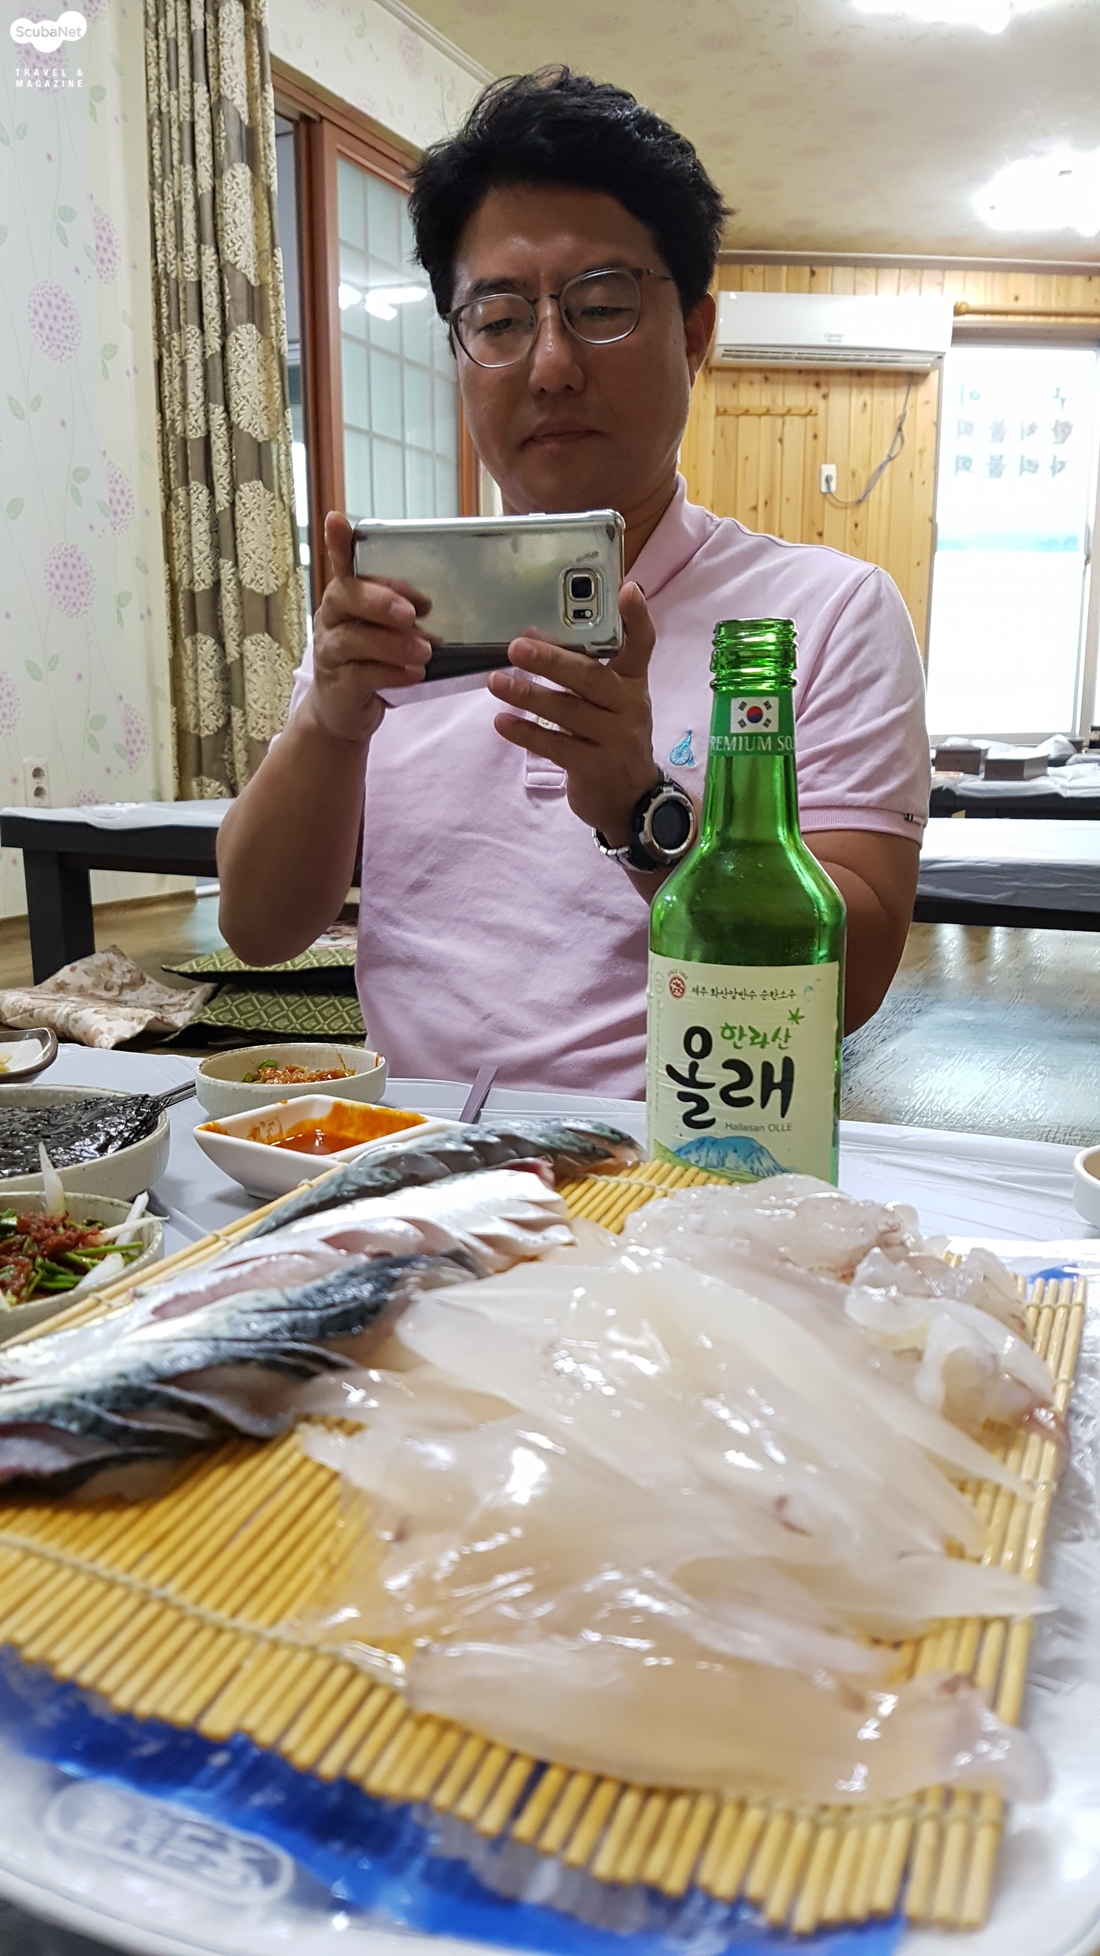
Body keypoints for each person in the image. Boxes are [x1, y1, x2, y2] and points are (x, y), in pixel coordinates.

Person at [217, 68, 929, 1099]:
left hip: (685, 1159)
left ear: (694, 334)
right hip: (410, 1156)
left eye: (599, 306)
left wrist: (644, 811)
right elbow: (257, 929)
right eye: (500, 320)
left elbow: (849, 984)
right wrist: (330, 721)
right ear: (459, 349)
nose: (549, 364)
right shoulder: (399, 610)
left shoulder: (820, 614)